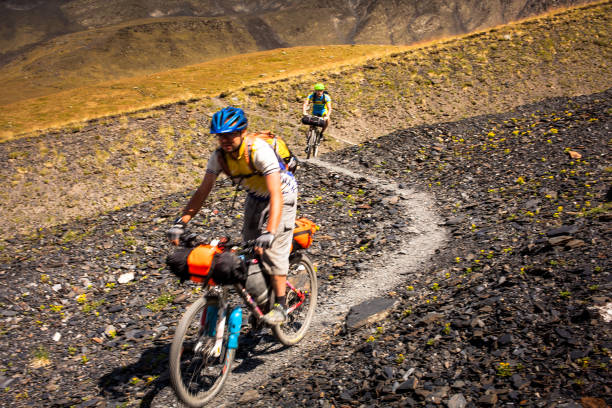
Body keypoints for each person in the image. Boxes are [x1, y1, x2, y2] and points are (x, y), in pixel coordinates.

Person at [167, 106, 298, 325]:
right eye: (221, 136)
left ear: (242, 133)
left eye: (230, 135)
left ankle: (281, 306)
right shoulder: (219, 157)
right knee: (248, 248)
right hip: (256, 196)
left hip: (282, 194)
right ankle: (263, 296)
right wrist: (181, 222)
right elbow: (203, 191)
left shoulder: (259, 151)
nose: (225, 140)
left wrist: (270, 232)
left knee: (273, 250)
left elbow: (276, 194)